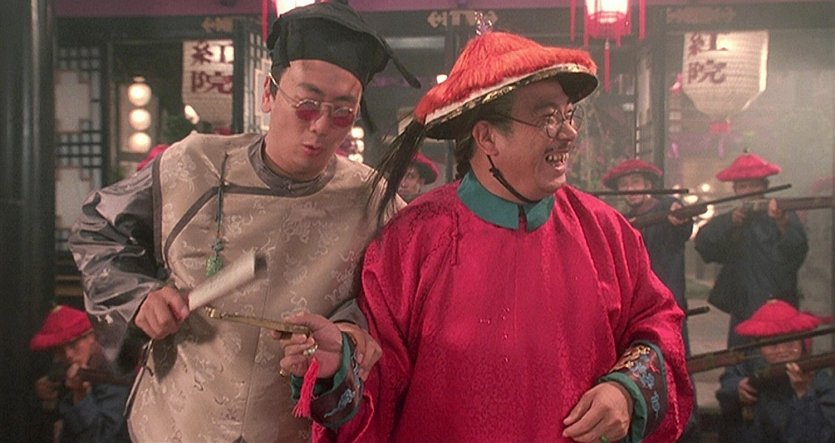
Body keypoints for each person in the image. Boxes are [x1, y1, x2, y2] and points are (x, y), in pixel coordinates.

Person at [279, 29, 692, 442]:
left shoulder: (606, 232)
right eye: (547, 117)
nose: (568, 133)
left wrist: (626, 391)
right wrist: (339, 368)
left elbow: (657, 325)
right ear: (487, 137)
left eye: (568, 115)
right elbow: (379, 383)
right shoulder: (411, 242)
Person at [67, 2, 418, 442]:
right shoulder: (192, 165)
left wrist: (350, 335)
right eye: (307, 104)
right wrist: (138, 299)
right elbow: (98, 230)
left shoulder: (374, 201)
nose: (321, 127)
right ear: (268, 92)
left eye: (343, 112)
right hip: (176, 425)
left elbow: (396, 309)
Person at [695, 152, 809, 346]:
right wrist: (730, 222)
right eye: (743, 186)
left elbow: (797, 251)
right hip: (743, 304)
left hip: (778, 302)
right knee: (740, 355)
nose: (748, 190)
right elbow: (704, 245)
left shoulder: (782, 214)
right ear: (735, 190)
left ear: (765, 186)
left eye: (754, 185)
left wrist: (782, 223)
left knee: (778, 352)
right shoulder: (732, 218)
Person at [601, 159, 694, 352]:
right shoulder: (622, 219)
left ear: (648, 184)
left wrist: (680, 217)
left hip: (668, 300)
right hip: (638, 305)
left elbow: (682, 225)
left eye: (635, 182)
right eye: (624, 185)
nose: (630, 189)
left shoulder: (668, 207)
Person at [715, 300, 835, 442]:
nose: (782, 351)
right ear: (759, 347)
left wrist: (804, 394)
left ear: (801, 343)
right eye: (772, 345)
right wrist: (737, 389)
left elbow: (821, 436)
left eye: (790, 343)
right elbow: (726, 389)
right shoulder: (746, 366)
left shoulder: (818, 378)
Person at [30, 305, 130, 443]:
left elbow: (104, 438)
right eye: (60, 350)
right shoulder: (64, 369)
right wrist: (44, 395)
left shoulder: (112, 373)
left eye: (73, 344)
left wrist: (82, 396)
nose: (68, 355)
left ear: (91, 336)